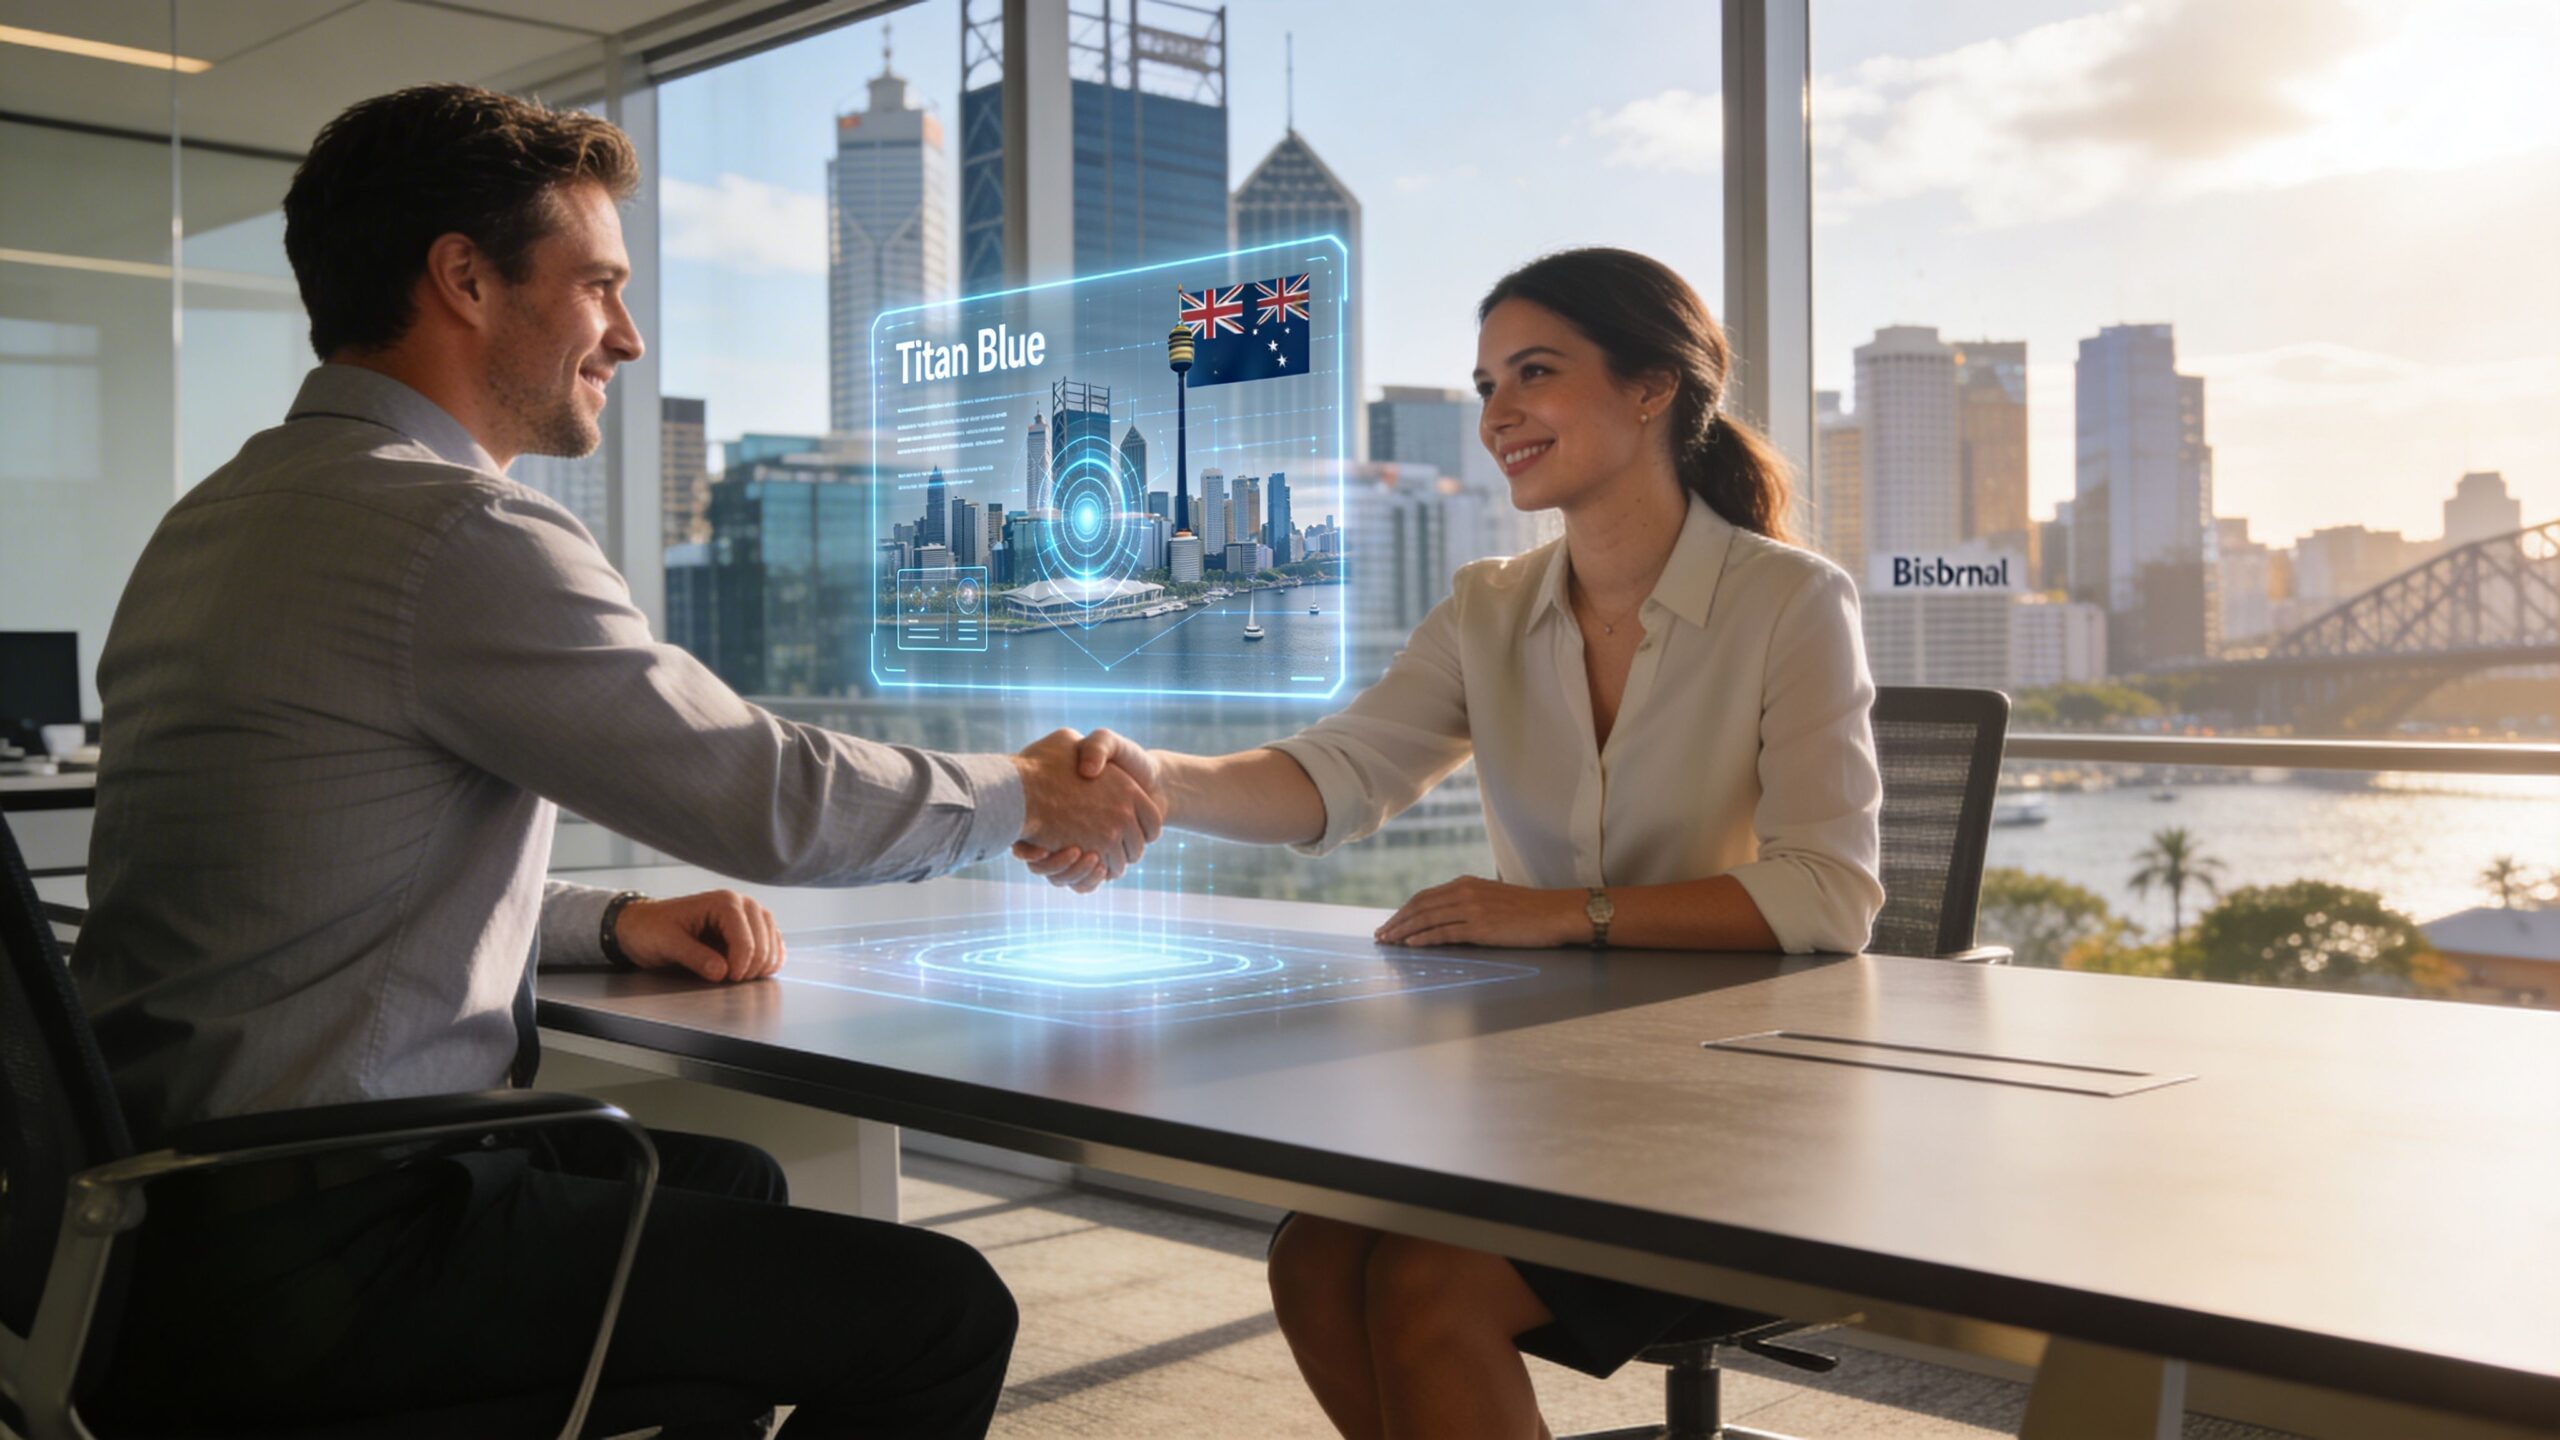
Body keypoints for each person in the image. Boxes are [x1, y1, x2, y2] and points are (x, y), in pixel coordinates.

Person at [75, 84, 1159, 1438]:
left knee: (733, 1191)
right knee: (941, 1313)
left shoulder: (217, 519)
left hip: (155, 1223)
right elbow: (762, 797)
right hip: (331, 1244)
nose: (629, 337)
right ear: (463, 280)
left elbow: (302, 880)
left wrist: (609, 921)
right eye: (599, 286)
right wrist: (1022, 793)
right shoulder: (454, 531)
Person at [1018, 247, 1885, 1438]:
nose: (1497, 415)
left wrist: (1561, 912)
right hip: (1554, 1090)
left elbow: (1829, 893)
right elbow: (1341, 774)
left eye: (1533, 373)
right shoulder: (1488, 606)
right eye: (1483, 386)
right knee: (1314, 1261)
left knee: (1431, 1286)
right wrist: (1152, 778)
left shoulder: (1791, 600)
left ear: (1651, 389)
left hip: (1733, 1110)